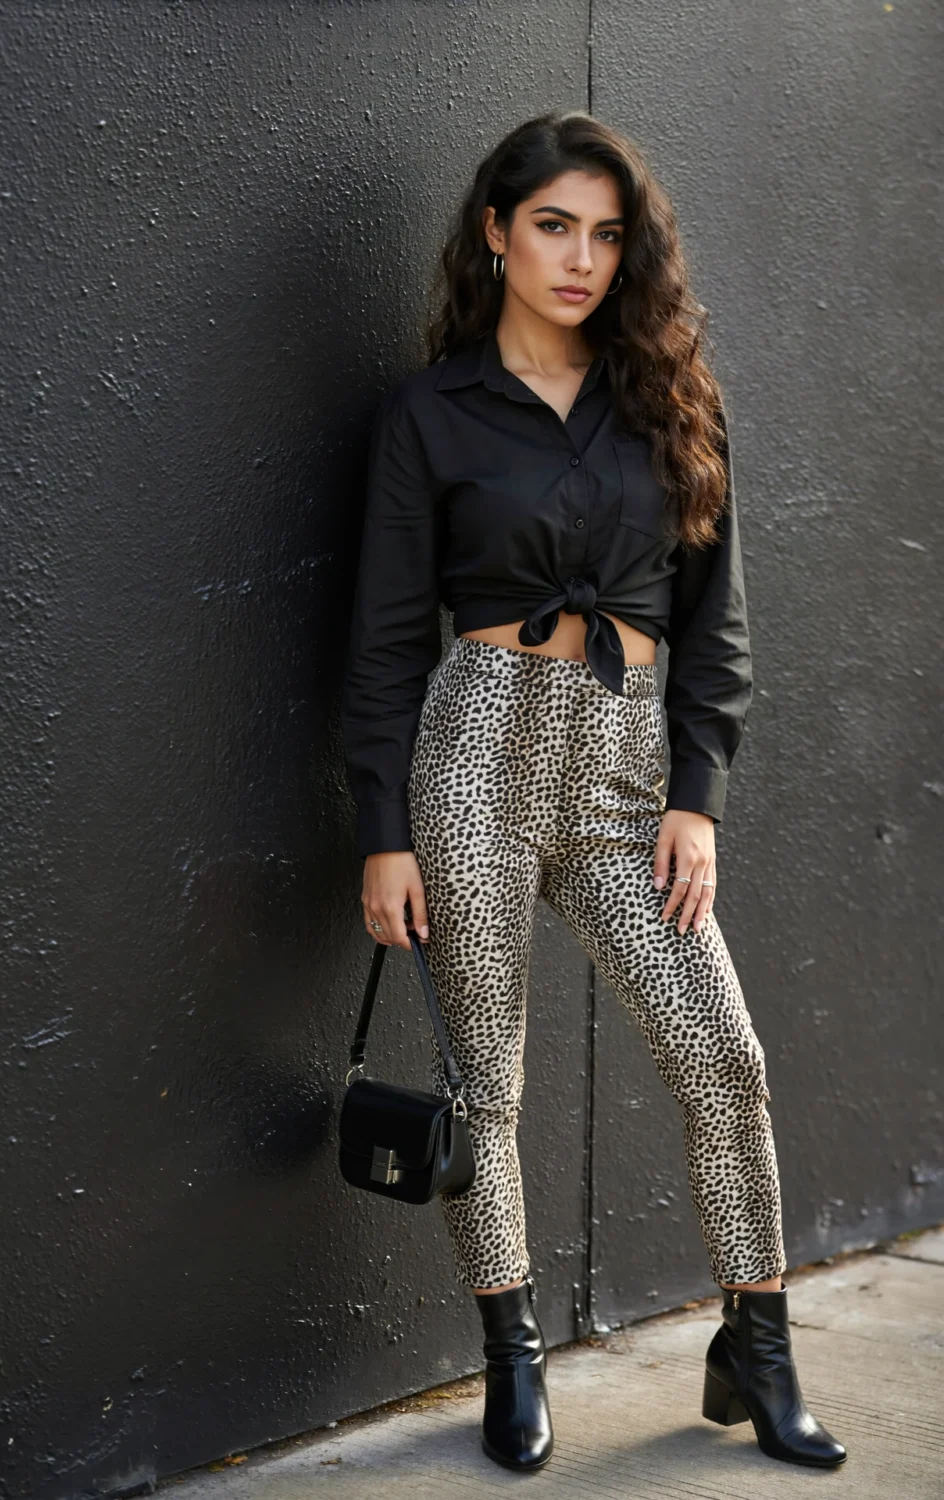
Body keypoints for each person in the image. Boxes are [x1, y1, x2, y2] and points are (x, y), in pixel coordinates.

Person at [339, 110, 846, 1474]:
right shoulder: (430, 413)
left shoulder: (672, 401)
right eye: (554, 226)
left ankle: (758, 1346)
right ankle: (511, 1354)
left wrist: (698, 796)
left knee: (723, 1057)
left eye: (608, 234)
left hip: (628, 774)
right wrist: (384, 831)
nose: (580, 258)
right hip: (476, 756)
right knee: (487, 1080)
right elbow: (384, 639)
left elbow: (716, 622)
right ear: (496, 233)